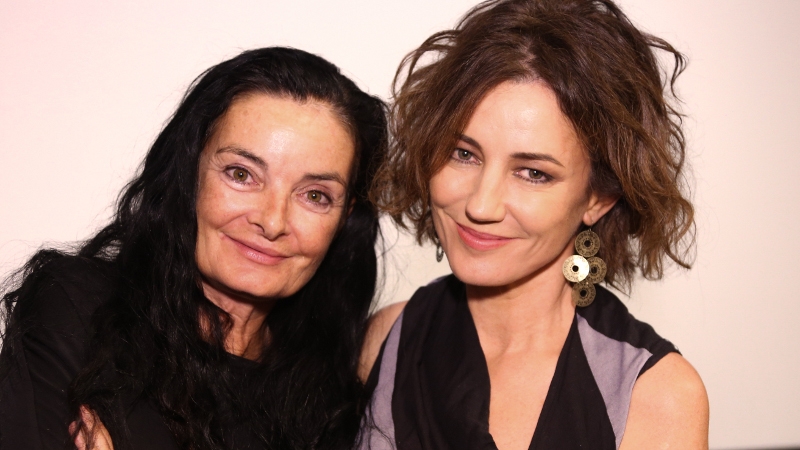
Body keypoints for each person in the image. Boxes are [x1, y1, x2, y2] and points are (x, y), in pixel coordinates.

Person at [0, 47, 387, 450]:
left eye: (315, 195)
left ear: (345, 218)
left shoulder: (332, 404)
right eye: (242, 174)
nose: (272, 222)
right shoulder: (79, 309)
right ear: (190, 172)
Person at [361, 0, 709, 448]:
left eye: (533, 173)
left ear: (599, 198)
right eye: (462, 153)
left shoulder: (657, 397)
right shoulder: (384, 339)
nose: (482, 205)